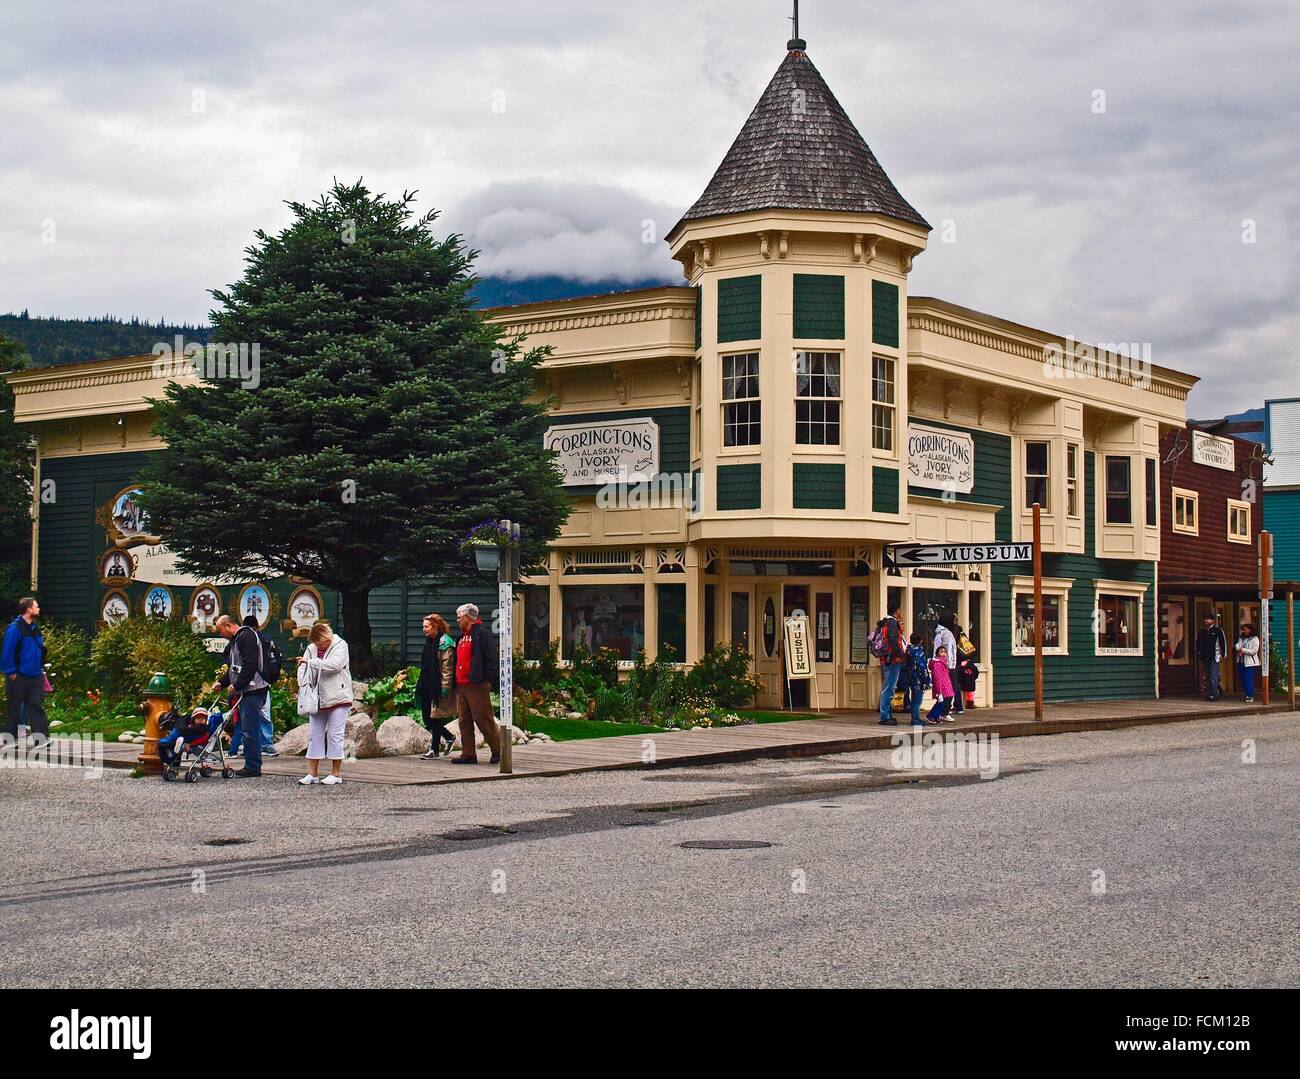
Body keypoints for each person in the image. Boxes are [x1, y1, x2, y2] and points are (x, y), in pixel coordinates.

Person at [213, 614, 270, 777]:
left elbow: (250, 664)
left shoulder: (246, 637)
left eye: (220, 631)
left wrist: (237, 685)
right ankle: (251, 763)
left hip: (253, 689)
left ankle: (253, 766)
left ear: (228, 625)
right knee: (247, 727)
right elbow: (234, 668)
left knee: (250, 727)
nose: (221, 635)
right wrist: (222, 682)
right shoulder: (237, 640)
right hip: (247, 689)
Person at [296, 621, 352, 785]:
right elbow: (302, 667)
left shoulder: (341, 645)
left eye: (320, 642)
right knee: (315, 735)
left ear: (326, 638)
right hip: (316, 697)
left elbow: (334, 666)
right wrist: (303, 684)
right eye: (315, 643)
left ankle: (336, 773)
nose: (318, 646)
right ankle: (312, 773)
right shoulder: (311, 648)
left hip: (338, 696)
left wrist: (311, 663)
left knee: (335, 735)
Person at [449, 603, 501, 764]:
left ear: (468, 617)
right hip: (461, 685)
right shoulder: (461, 637)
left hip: (477, 685)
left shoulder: (481, 634)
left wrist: (487, 682)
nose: (457, 620)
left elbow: (491, 659)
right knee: (464, 721)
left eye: (460, 617)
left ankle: (498, 750)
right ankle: (468, 753)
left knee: (483, 718)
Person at [2, 597, 47, 747]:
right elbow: (7, 651)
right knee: (14, 707)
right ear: (29, 609)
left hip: (35, 676)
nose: (38, 609)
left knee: (36, 705)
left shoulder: (35, 628)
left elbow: (39, 650)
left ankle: (40, 739)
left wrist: (40, 669)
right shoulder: (15, 628)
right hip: (18, 675)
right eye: (36, 606)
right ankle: (10, 739)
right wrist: (11, 672)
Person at [417, 613, 457, 759]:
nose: (424, 630)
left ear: (436, 626)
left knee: (435, 717)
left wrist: (445, 688)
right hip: (427, 684)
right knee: (427, 718)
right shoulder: (430, 641)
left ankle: (434, 749)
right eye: (423, 627)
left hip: (438, 686)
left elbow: (447, 668)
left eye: (426, 627)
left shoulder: (445, 643)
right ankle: (448, 737)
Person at [876, 602, 906, 726]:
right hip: (892, 659)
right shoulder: (892, 623)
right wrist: (900, 654)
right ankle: (884, 716)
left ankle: (887, 713)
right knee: (889, 687)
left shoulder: (885, 622)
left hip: (886, 658)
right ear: (897, 610)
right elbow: (893, 640)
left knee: (888, 686)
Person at [935, 614, 963, 714]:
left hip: (943, 664)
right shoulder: (947, 634)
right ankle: (945, 710)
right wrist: (951, 664)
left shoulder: (939, 633)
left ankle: (944, 709)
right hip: (948, 665)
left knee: (944, 689)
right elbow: (951, 650)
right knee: (950, 689)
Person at [1195, 615, 1228, 701]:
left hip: (1215, 656)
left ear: (1213, 621)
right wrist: (1199, 653)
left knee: (1213, 675)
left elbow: (1223, 643)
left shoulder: (1217, 631)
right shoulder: (1202, 631)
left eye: (1208, 619)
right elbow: (1198, 642)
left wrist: (1223, 655)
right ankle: (1214, 690)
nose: (1206, 620)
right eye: (1205, 619)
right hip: (1205, 656)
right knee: (1208, 675)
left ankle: (1213, 694)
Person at [903, 633, 931, 727]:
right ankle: (915, 718)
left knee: (913, 697)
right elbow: (922, 668)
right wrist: (927, 680)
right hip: (918, 679)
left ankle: (914, 717)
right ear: (920, 641)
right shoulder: (920, 653)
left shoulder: (908, 651)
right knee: (917, 699)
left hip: (910, 677)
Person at [927, 645, 956, 723]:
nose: (943, 654)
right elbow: (937, 677)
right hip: (942, 685)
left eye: (945, 652)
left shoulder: (944, 662)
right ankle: (933, 716)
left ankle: (940, 715)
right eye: (941, 652)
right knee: (941, 702)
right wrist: (939, 691)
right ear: (937, 653)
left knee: (947, 699)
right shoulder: (937, 663)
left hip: (946, 684)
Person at [1235, 623, 1261, 704]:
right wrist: (1237, 647)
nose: (1244, 631)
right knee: (1242, 679)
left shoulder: (1255, 638)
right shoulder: (1241, 638)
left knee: (1248, 679)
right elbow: (1238, 645)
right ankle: (1246, 695)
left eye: (1246, 629)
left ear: (1250, 630)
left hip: (1250, 663)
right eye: (1243, 629)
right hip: (1241, 661)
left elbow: (1254, 651)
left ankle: (1250, 696)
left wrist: (1242, 650)